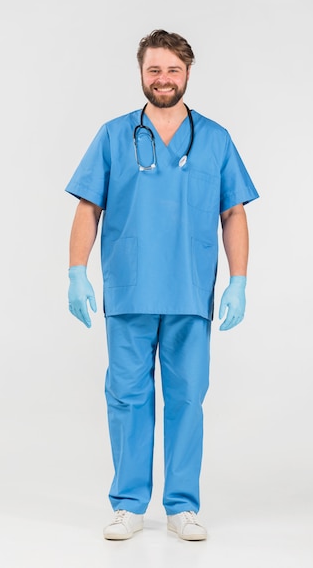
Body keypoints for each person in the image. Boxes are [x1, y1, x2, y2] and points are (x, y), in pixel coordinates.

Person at [66, 29, 259, 541]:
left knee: (187, 398)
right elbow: (89, 206)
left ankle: (181, 506)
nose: (164, 78)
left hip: (190, 293)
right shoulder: (114, 135)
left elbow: (233, 211)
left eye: (173, 70)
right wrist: (76, 270)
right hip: (129, 292)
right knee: (127, 397)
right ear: (141, 74)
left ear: (188, 73)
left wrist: (238, 280)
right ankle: (128, 504)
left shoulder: (214, 138)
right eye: (154, 70)